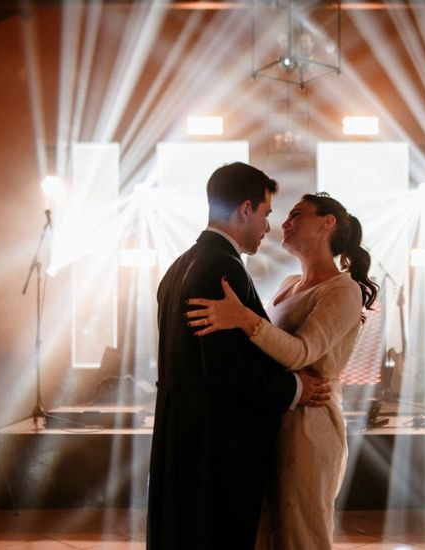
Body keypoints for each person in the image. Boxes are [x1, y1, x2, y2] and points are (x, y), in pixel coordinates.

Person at [146, 163, 331, 550]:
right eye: (265, 213)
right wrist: (295, 388)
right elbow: (225, 367)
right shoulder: (221, 268)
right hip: (216, 448)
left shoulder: (181, 265)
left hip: (182, 438)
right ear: (245, 209)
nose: (268, 226)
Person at [185, 192, 378, 550]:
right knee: (264, 532)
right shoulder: (289, 284)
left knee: (300, 533)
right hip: (274, 415)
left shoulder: (343, 290)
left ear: (327, 223)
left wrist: (244, 319)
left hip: (310, 423)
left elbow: (300, 352)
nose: (284, 223)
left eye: (296, 214)